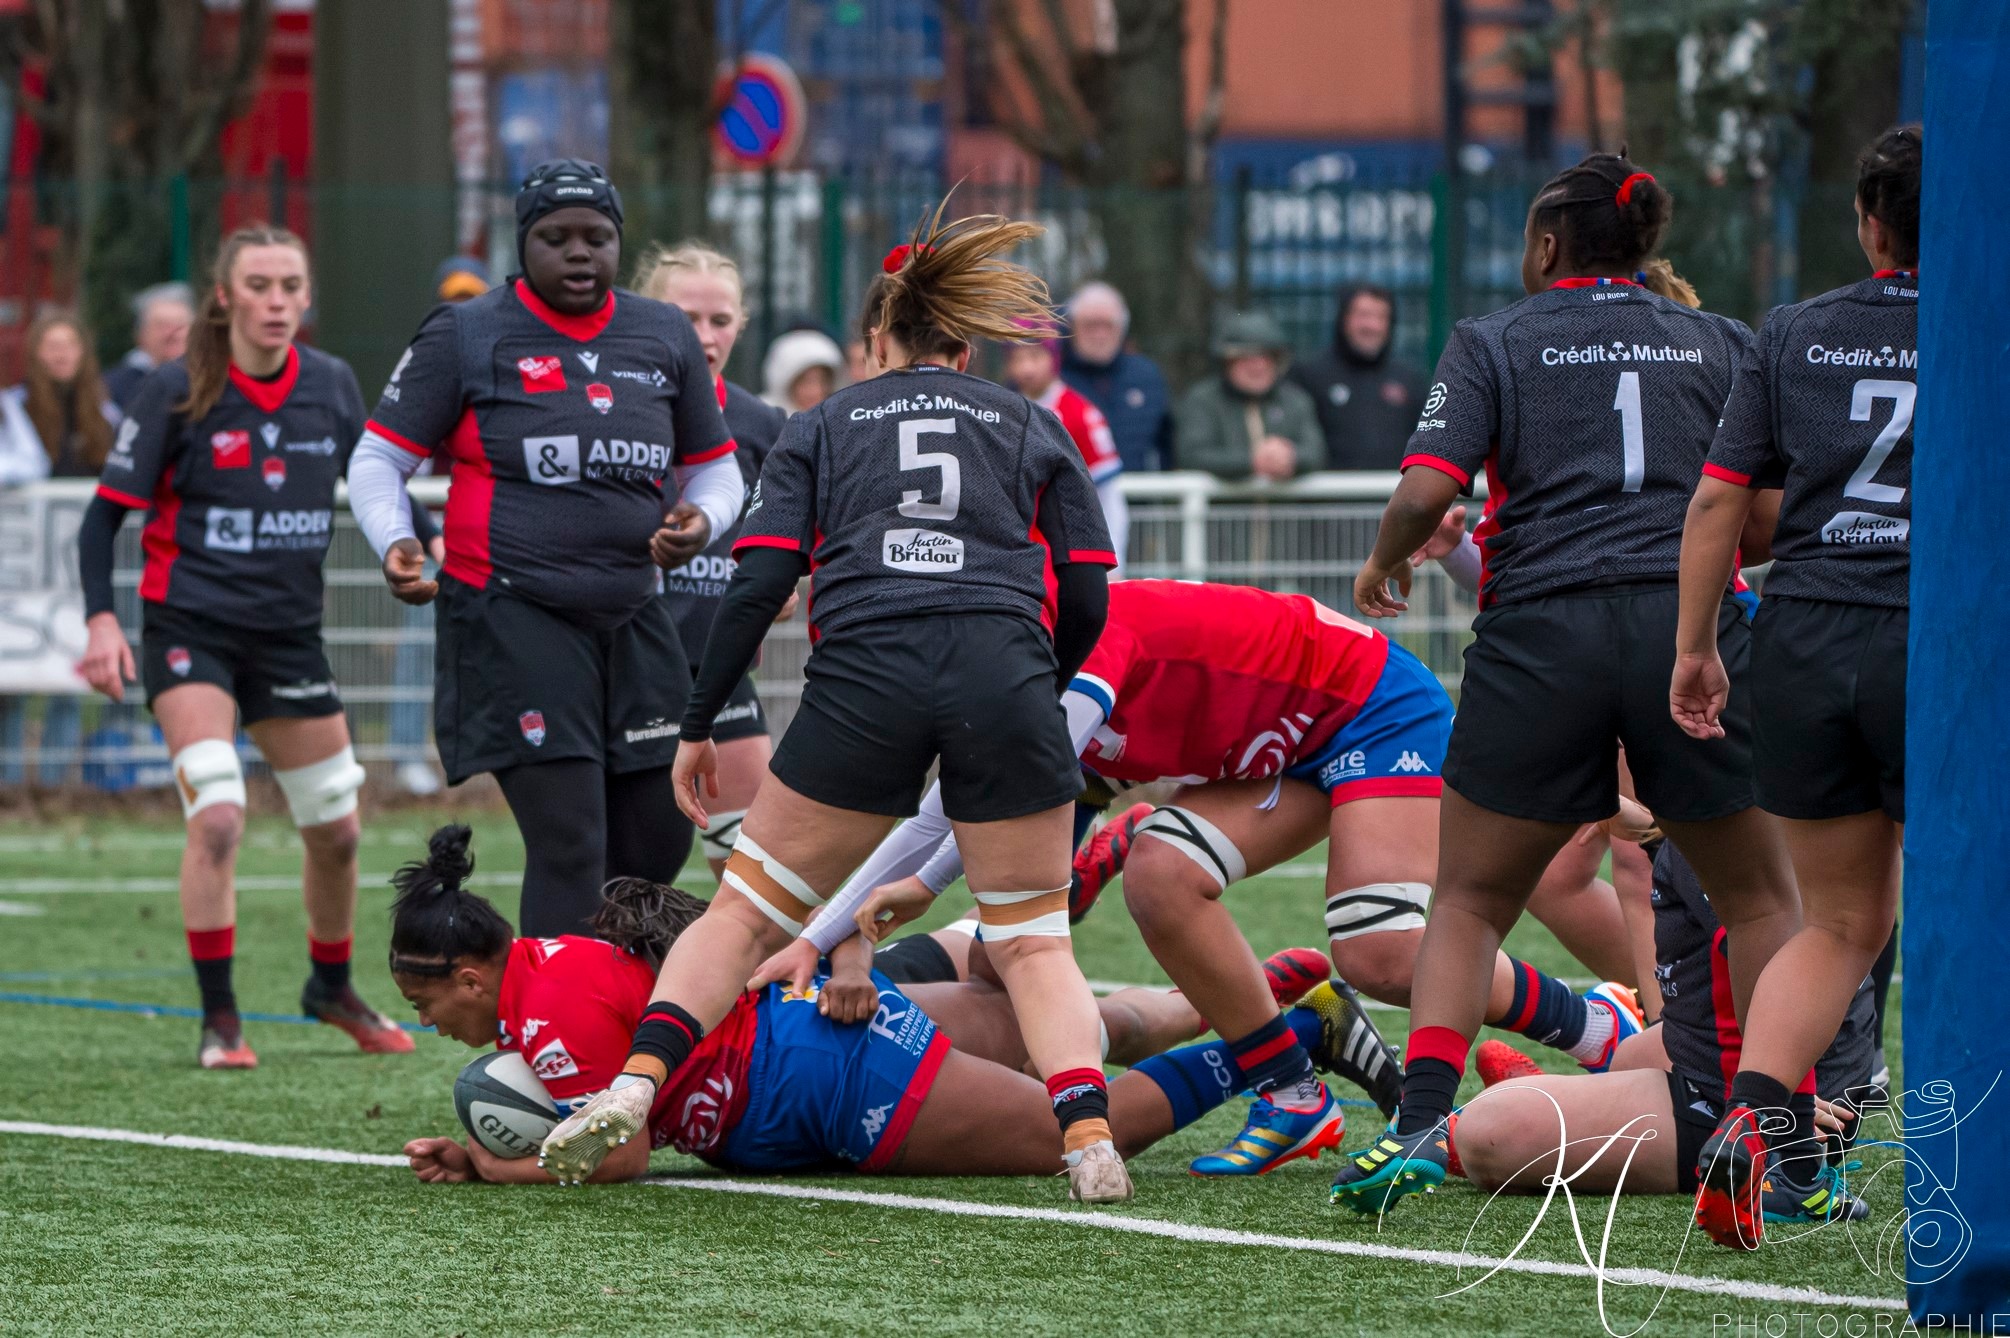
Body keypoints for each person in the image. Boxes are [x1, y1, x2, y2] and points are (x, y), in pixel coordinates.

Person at [536, 203, 1128, 1203]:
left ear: (875, 340)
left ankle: (635, 1087)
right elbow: (1088, 587)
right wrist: (1045, 680)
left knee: (741, 917)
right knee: (1032, 939)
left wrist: (696, 723)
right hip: (1005, 675)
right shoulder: (1030, 421)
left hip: (869, 677)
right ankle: (1091, 1140)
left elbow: (756, 585)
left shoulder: (822, 423)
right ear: (966, 342)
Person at [775, 578, 1644, 1177]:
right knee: (1088, 913)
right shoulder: (1007, 654)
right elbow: (944, 808)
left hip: (1369, 708)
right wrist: (820, 939)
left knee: (1378, 953)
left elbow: (953, 818)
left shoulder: (1075, 646)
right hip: (1273, 742)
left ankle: (1592, 1025)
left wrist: (879, 913)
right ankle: (1291, 1088)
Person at [1329, 152, 1803, 1216]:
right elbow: (1760, 516)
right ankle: (1788, 1148)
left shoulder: (1495, 338)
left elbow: (1428, 488)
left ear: (1548, 245)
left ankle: (1416, 1127)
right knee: (1764, 902)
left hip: (1540, 635)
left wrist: (1384, 560)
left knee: (1469, 899)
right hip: (1688, 629)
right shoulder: (1722, 340)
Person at [388, 828, 1350, 1187]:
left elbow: (623, 1150)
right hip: (808, 1022)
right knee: (1065, 1031)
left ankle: (1295, 1037)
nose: (428, 1023)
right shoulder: (550, 960)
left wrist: (487, 1164)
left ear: (469, 976)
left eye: (423, 1000)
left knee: (1070, 1130)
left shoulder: (542, 1017)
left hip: (821, 1081)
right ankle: (1264, 996)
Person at [345, 160, 744, 939]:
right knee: (571, 839)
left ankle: (604, 1013)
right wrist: (396, 539)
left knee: (659, 838)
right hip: (511, 610)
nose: (578, 252)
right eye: (554, 237)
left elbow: (715, 466)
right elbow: (379, 457)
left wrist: (703, 519)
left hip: (633, 611)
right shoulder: (467, 332)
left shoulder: (660, 331)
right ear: (521, 242)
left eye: (596, 237)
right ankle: (546, 1045)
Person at [74, 223, 411, 1069]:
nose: (277, 302)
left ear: (307, 297)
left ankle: (329, 986)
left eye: (291, 286)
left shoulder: (329, 383)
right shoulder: (176, 385)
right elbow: (103, 515)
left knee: (337, 829)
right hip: (191, 631)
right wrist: (102, 620)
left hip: (289, 638)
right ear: (225, 297)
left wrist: (413, 542)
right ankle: (220, 1018)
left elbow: (374, 480)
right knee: (219, 814)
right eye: (259, 285)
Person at [1668, 126, 1920, 1250]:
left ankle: (1749, 1130)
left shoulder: (1796, 330)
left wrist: (1694, 647)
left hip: (1808, 633)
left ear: (1870, 221)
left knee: (1840, 922)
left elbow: (1720, 505)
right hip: (1941, 637)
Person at [1450, 839, 1875, 1225]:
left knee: (1486, 1131)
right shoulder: (1711, 814)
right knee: (1629, 1056)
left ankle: (1449, 1131)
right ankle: (1567, 1088)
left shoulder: (1719, 828)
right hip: (1766, 1060)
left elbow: (1782, 966)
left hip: (1782, 1093)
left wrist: (1776, 1099)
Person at [632, 241, 791, 875]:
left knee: (751, 861)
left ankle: (756, 978)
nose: (704, 336)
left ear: (740, 324)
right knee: (639, 866)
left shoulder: (761, 423)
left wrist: (786, 580)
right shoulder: (616, 412)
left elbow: (800, 533)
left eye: (719, 320)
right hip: (631, 665)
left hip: (717, 666)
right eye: (684, 318)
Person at [0, 311, 119, 785]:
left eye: (69, 345)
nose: (60, 355)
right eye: (51, 346)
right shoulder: (14, 409)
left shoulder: (104, 413)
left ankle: (54, 786)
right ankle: (9, 786)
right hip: (24, 565)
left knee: (70, 677)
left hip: (80, 565)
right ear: (36, 354)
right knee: (14, 681)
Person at [388, 259, 492, 797]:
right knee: (420, 649)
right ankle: (408, 752)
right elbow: (392, 465)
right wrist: (429, 537)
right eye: (452, 298)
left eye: (470, 297)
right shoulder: (424, 371)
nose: (460, 308)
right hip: (441, 541)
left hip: (499, 539)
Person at [1002, 331, 1127, 575]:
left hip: (1072, 551)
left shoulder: (1080, 414)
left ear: (1054, 358)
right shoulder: (1002, 411)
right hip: (1023, 553)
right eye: (1017, 358)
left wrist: (1114, 563)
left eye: (1035, 356)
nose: (1026, 368)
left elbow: (1109, 496)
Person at [1172, 311, 1323, 481]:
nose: (1258, 366)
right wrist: (1251, 461)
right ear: (1226, 361)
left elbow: (1315, 452)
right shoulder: (1202, 400)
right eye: (1247, 357)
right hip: (1226, 507)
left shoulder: (1295, 401)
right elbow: (1193, 455)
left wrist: (1290, 456)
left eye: (1266, 357)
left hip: (1283, 507)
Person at [1290, 284, 1427, 471]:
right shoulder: (1308, 374)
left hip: (1393, 496)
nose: (1372, 325)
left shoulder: (1410, 379)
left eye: (1381, 317)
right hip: (1325, 497)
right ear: (1343, 319)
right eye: (1363, 315)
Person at [1059, 281, 1170, 473]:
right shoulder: (1052, 378)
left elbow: (1167, 444)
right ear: (1071, 325)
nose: (1100, 334)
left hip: (1139, 497)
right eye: (1091, 325)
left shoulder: (1147, 376)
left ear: (1122, 328)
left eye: (1108, 325)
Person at [102, 283, 196, 413]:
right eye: (162, 325)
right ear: (140, 335)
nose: (172, 333)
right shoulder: (113, 387)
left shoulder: (213, 378)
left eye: (180, 324)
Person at [761, 327, 845, 414]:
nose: (816, 391)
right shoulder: (759, 418)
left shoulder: (841, 418)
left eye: (823, 381)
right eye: (805, 382)